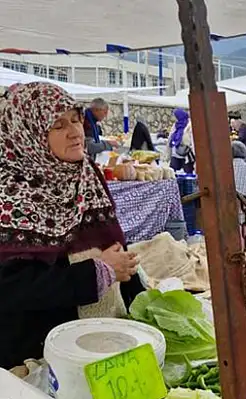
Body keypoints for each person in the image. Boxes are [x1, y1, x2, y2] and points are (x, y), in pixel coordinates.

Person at [0, 83, 143, 368]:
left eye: (76, 119)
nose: (75, 131)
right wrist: (97, 273)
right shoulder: (9, 193)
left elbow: (114, 249)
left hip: (107, 341)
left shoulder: (86, 175)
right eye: (58, 124)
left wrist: (139, 302)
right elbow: (10, 290)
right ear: (27, 132)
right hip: (41, 355)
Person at [164, 108, 195, 173]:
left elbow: (192, 140)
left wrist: (195, 155)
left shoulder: (189, 125)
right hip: (175, 154)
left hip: (186, 154)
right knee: (172, 173)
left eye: (176, 116)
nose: (175, 118)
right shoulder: (176, 125)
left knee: (188, 174)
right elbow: (170, 138)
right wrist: (167, 155)